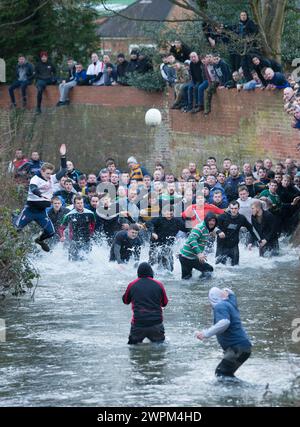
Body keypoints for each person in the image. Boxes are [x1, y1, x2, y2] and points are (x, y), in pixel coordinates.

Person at [15, 144, 67, 252]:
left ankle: (39, 240)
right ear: (42, 171)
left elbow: (63, 171)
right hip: (29, 210)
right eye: (47, 173)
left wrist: (63, 156)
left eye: (50, 173)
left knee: (51, 232)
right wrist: (41, 195)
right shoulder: (35, 178)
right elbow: (33, 188)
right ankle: (12, 248)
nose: (49, 175)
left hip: (41, 213)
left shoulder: (52, 178)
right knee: (15, 229)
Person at [196, 287, 252, 379]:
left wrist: (205, 334)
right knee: (225, 374)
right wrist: (226, 290)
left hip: (236, 348)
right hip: (244, 348)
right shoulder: (230, 302)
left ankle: (250, 390)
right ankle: (239, 391)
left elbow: (224, 322)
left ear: (212, 299)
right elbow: (231, 293)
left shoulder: (220, 306)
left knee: (222, 374)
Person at [122, 262, 168, 345]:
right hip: (156, 324)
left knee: (133, 349)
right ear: (151, 272)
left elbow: (125, 301)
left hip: (138, 324)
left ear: (138, 273)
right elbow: (164, 303)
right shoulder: (159, 284)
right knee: (159, 350)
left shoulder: (132, 285)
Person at [215, 200, 257, 266]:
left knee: (236, 267)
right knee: (219, 266)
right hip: (222, 245)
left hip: (233, 245)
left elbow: (251, 228)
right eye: (232, 208)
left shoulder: (241, 218)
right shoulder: (222, 217)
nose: (233, 210)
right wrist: (219, 231)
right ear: (229, 208)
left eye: (235, 208)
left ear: (238, 208)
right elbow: (213, 227)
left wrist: (256, 240)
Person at [146, 206, 187, 272]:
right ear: (163, 213)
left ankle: (168, 278)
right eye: (167, 214)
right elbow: (148, 223)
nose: (169, 216)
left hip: (168, 246)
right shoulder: (159, 219)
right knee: (153, 263)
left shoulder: (177, 221)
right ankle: (148, 276)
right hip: (156, 244)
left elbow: (187, 228)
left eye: (171, 214)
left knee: (169, 267)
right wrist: (153, 232)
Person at [179, 212, 217, 280]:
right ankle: (198, 286)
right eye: (210, 220)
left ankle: (199, 285)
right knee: (186, 280)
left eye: (213, 221)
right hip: (186, 257)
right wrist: (199, 253)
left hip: (193, 257)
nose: (212, 223)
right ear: (206, 220)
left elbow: (215, 229)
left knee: (208, 269)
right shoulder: (200, 227)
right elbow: (192, 240)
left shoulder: (206, 228)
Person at [59, 195, 96, 261]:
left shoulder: (90, 214)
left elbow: (93, 224)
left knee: (86, 259)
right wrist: (62, 236)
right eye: (78, 203)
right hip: (74, 240)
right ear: (74, 204)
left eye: (81, 203)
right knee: (72, 261)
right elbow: (61, 228)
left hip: (87, 240)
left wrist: (91, 233)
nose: (80, 205)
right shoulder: (69, 215)